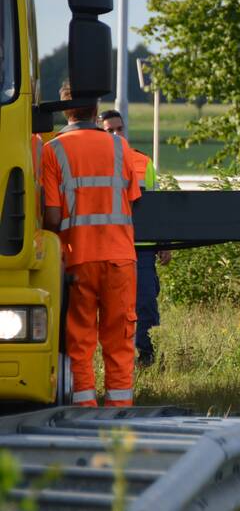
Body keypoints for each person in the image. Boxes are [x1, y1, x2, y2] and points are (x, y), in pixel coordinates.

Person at [41, 84, 142, 407]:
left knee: (80, 338)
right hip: (120, 258)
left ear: (64, 110)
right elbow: (131, 199)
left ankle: (84, 408)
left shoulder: (52, 150)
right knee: (120, 339)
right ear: (96, 108)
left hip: (78, 259)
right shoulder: (119, 146)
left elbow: (52, 216)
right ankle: (119, 409)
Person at [99, 109, 168, 367]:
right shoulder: (94, 163)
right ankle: (116, 357)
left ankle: (146, 355)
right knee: (113, 306)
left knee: (146, 303)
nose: (117, 134)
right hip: (108, 247)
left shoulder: (143, 162)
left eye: (119, 129)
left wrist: (164, 243)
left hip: (142, 247)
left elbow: (156, 208)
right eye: (110, 130)